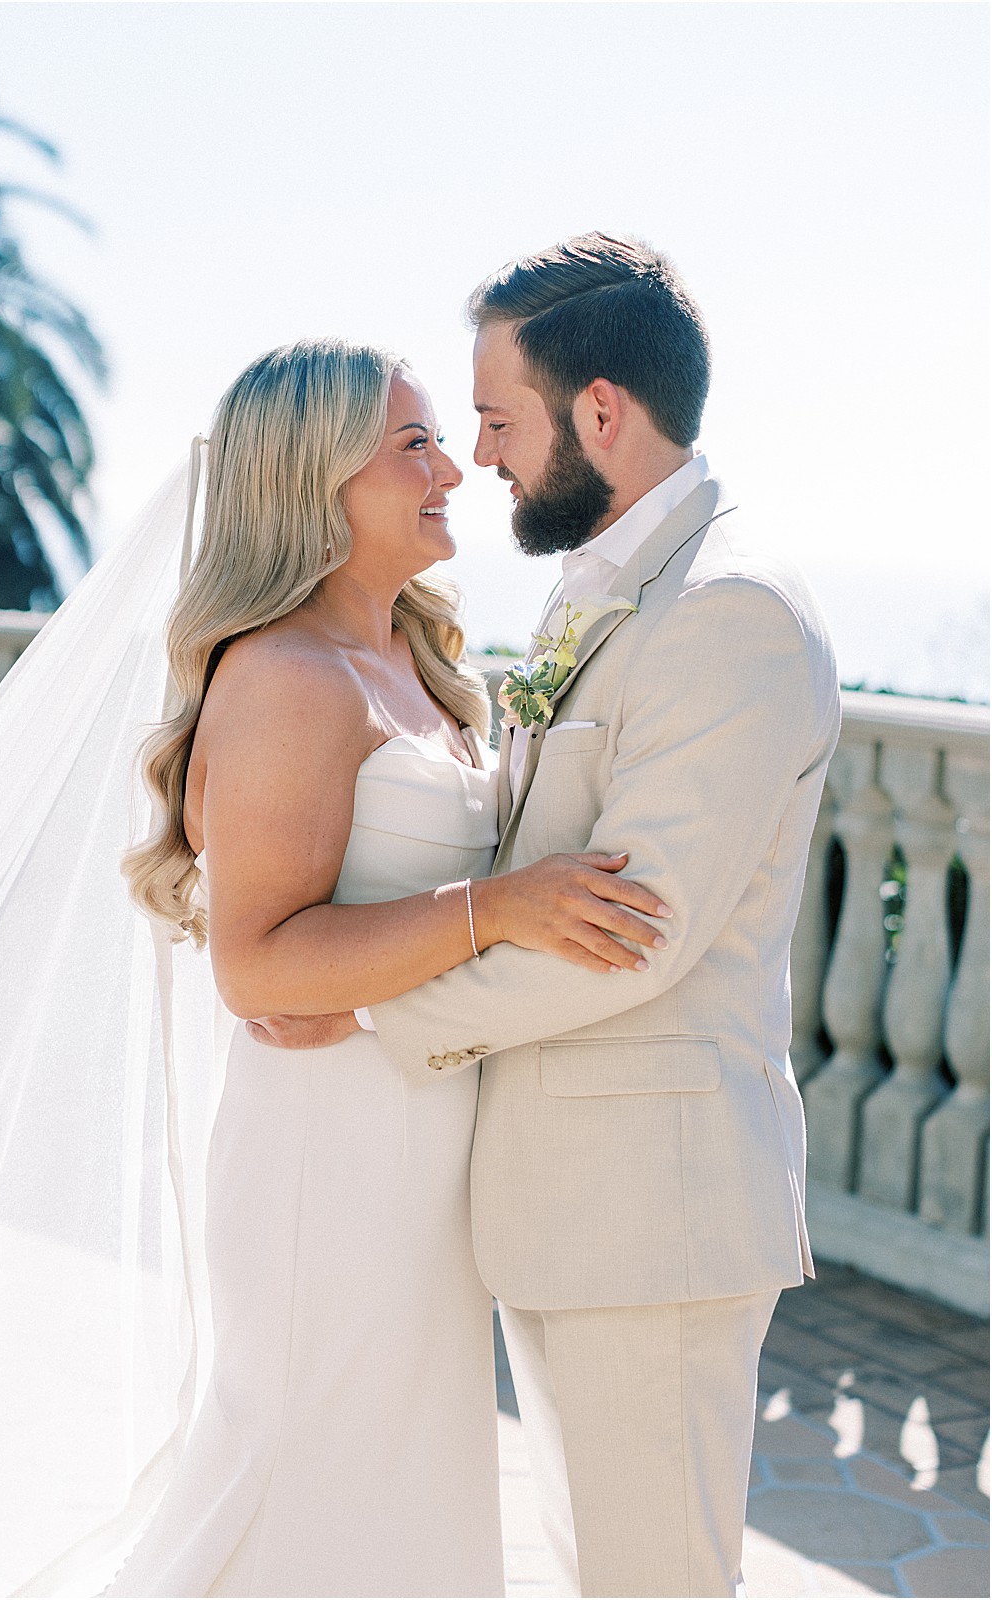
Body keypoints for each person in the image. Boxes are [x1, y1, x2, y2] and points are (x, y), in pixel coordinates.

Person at [0, 336, 671, 1599]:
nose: (452, 466)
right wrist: (496, 910)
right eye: (411, 446)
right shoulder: (284, 678)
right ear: (312, 479)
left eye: (441, 437)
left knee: (393, 1496)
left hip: (414, 1160)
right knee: (299, 1490)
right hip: (324, 1171)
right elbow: (262, 968)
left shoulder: (422, 671)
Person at [256, 236, 842, 1599]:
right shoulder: (608, 590)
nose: (476, 456)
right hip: (569, 1205)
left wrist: (365, 1000)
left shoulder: (726, 611)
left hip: (652, 1216)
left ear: (597, 412)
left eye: (497, 419)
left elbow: (627, 933)